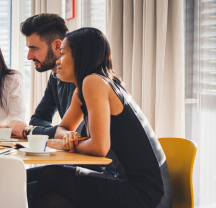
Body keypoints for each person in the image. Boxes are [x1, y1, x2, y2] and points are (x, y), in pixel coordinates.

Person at [31, 27, 172, 208]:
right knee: (51, 199)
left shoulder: (94, 81)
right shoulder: (84, 87)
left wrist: (71, 144)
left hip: (149, 194)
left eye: (63, 54)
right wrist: (68, 137)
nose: (58, 60)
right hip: (127, 182)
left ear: (80, 56)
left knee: (50, 175)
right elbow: (63, 128)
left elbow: (99, 147)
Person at [13, 13, 80, 138]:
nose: (29, 56)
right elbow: (38, 119)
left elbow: (77, 132)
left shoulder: (79, 77)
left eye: (34, 49)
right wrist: (55, 133)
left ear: (57, 46)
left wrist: (29, 131)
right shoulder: (55, 75)